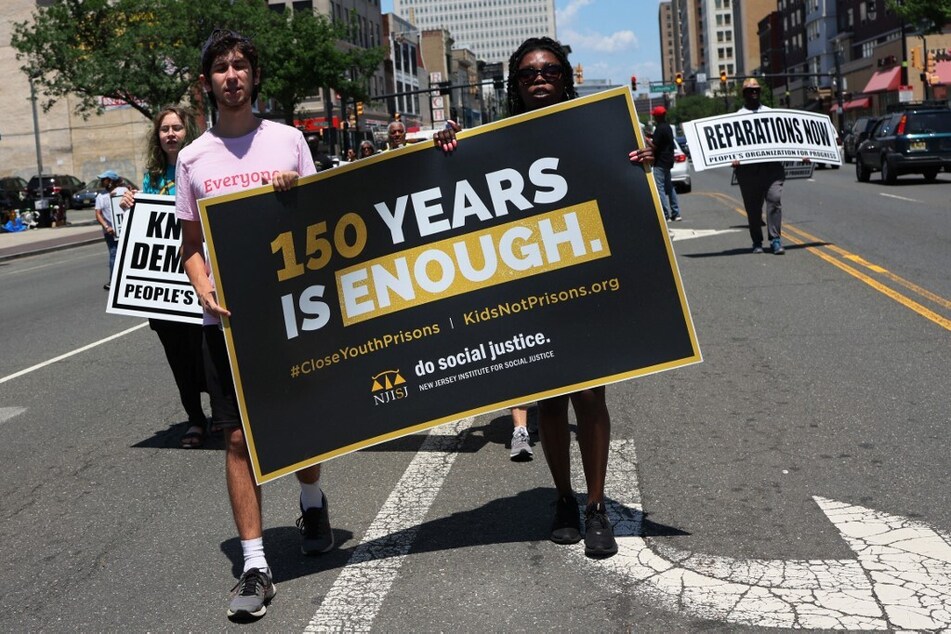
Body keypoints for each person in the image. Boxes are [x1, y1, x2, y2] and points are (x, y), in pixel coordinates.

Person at [434, 36, 654, 558]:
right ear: (516, 83)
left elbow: (621, 189)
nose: (540, 78)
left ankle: (597, 506)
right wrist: (447, 149)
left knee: (591, 396)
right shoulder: (491, 139)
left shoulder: (596, 130)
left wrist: (641, 161)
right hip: (529, 290)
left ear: (565, 78)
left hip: (585, 283)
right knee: (550, 401)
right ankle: (563, 499)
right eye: (530, 72)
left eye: (551, 71)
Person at [176, 29, 332, 621]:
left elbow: (321, 221)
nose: (232, 76)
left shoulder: (290, 142)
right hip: (227, 323)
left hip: (294, 312)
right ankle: (255, 563)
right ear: (207, 82)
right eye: (221, 68)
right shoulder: (193, 158)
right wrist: (203, 284)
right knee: (239, 438)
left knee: (301, 423)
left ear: (254, 77)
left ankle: (312, 500)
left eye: (241, 66)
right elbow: (191, 244)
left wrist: (298, 193)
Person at [121, 105, 209, 449]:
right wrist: (132, 203)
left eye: (176, 128)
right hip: (163, 288)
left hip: (199, 279)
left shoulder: (201, 167)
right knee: (178, 357)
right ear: (157, 137)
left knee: (206, 351)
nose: (170, 134)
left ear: (188, 132)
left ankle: (222, 411)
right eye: (164, 129)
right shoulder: (152, 177)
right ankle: (195, 419)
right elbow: (144, 223)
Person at [731, 78, 786, 255]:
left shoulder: (772, 114)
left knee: (774, 200)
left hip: (772, 169)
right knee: (753, 209)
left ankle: (775, 240)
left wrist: (802, 152)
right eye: (750, 90)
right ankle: (757, 241)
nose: (754, 92)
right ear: (744, 94)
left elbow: (786, 138)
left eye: (756, 90)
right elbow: (730, 145)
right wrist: (734, 158)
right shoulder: (736, 118)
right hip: (748, 172)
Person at [94, 170, 128, 290]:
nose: (102, 182)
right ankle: (113, 281)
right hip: (110, 232)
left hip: (125, 229)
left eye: (104, 179)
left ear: (111, 180)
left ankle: (127, 279)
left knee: (127, 254)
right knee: (113, 254)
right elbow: (98, 214)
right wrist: (106, 226)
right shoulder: (100, 196)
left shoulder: (123, 191)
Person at [649, 105, 682, 222]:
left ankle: (665, 214)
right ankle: (676, 213)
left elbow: (655, 146)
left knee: (660, 188)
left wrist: (646, 139)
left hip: (660, 162)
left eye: (654, 115)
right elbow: (661, 141)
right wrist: (651, 136)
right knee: (670, 187)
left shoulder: (659, 128)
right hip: (668, 161)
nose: (654, 117)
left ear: (657, 116)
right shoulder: (667, 127)